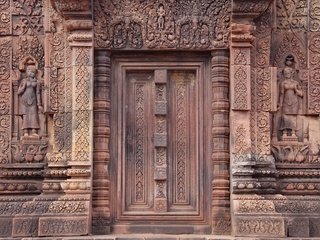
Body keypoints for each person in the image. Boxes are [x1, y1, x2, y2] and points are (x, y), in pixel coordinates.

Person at [278, 66, 303, 137]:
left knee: (293, 117)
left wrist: (296, 90)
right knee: (285, 116)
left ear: (291, 73)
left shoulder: (296, 83)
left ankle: (293, 132)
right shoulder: (283, 83)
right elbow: (281, 94)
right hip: (285, 101)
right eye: (285, 73)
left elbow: (301, 94)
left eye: (288, 73)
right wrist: (280, 104)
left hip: (294, 101)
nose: (286, 74)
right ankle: (284, 132)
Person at [17, 65, 42, 137]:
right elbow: (18, 92)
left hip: (33, 100)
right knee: (26, 115)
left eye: (31, 71)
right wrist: (23, 87)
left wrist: (39, 104)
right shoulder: (24, 81)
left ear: (34, 73)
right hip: (24, 101)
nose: (30, 73)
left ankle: (34, 131)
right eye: (28, 71)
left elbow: (38, 93)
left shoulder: (36, 82)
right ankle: (26, 132)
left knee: (34, 115)